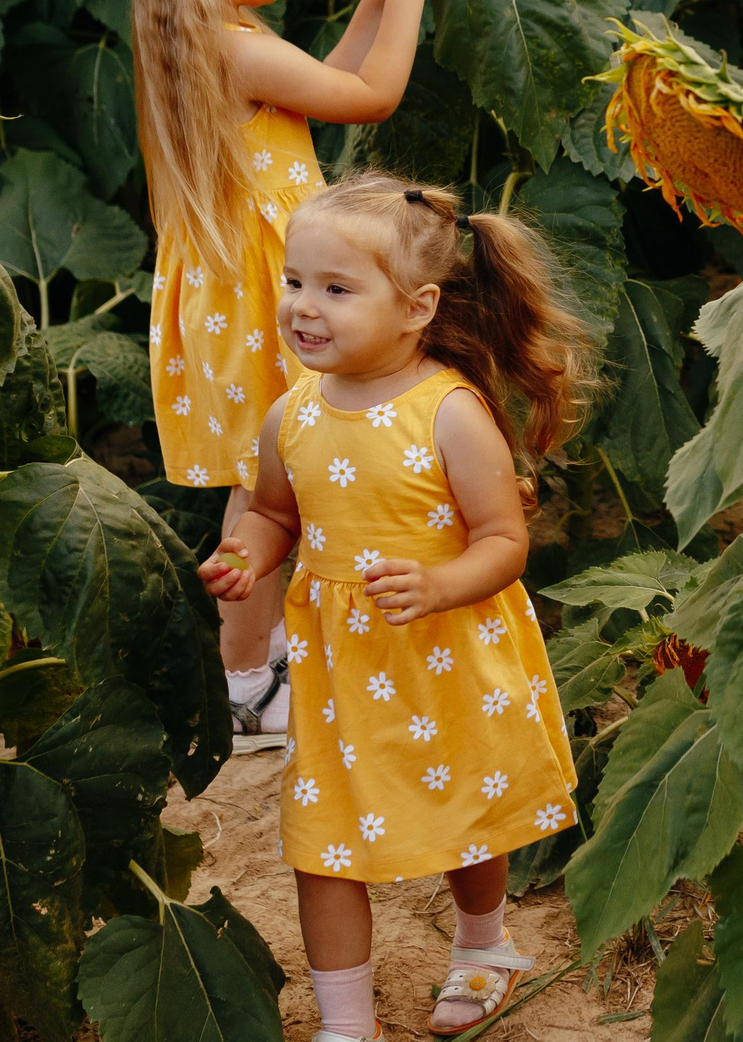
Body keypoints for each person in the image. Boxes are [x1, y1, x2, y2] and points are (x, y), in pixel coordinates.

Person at [199, 171, 592, 1041]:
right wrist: (244, 556)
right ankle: (347, 1024)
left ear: (417, 306)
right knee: (321, 842)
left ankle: (485, 946)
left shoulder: (446, 412)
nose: (304, 305)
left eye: (337, 288)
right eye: (296, 281)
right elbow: (273, 513)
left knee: (465, 815)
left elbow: (503, 540)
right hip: (342, 673)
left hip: (444, 658)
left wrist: (439, 582)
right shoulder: (290, 415)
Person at [131, 0, 442, 749]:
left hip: (247, 289)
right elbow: (373, 95)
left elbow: (327, 84)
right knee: (265, 492)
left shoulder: (215, 33)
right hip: (263, 295)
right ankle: (243, 683)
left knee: (266, 487)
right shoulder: (232, 48)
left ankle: (251, 669)